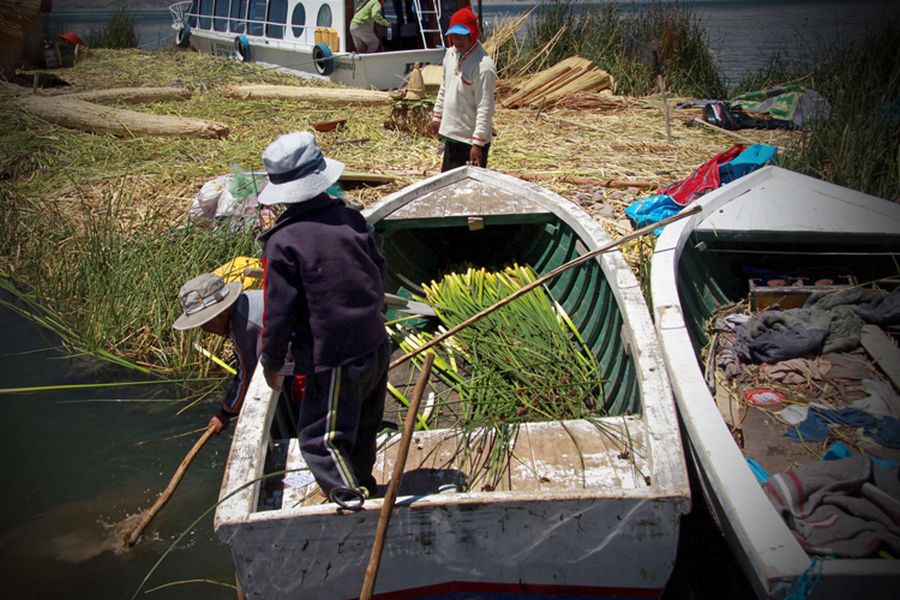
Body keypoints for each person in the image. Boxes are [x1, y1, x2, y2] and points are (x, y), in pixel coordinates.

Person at [256, 131, 390, 506]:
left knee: (320, 440)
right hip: (376, 345)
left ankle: (351, 500)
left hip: (334, 358)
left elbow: (278, 314)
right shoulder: (351, 218)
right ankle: (364, 485)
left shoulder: (282, 243)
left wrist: (272, 363)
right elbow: (378, 272)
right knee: (363, 426)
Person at [172, 273, 298, 434]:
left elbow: (246, 372)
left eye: (205, 321)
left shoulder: (245, 326)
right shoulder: (249, 300)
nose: (204, 328)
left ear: (220, 313)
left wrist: (226, 413)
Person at [431, 7, 497, 171]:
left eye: (461, 36)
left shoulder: (483, 66)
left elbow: (485, 106)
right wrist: (437, 117)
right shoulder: (450, 55)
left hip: (469, 140)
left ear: (472, 34)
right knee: (448, 184)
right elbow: (445, 87)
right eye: (454, 36)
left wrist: (478, 143)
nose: (457, 41)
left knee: (470, 192)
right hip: (452, 135)